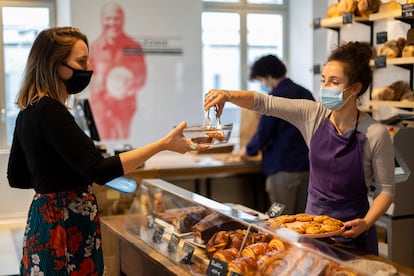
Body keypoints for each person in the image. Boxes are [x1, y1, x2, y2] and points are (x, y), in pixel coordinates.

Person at [7, 27, 199, 276]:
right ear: (55, 65)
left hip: (43, 222)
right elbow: (99, 170)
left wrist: (59, 175)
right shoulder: (51, 111)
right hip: (66, 227)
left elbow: (18, 177)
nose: (88, 67)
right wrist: (163, 144)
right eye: (81, 61)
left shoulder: (28, 111)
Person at [205, 41, 395, 256]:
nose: (325, 88)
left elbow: (386, 190)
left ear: (356, 88)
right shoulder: (312, 115)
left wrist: (367, 222)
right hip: (312, 232)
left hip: (355, 232)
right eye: (323, 80)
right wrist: (227, 95)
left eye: (334, 81)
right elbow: (264, 102)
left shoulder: (375, 133)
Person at [239, 55, 315, 214]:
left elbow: (264, 132)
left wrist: (248, 150)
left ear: (268, 76)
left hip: (283, 168)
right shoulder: (305, 93)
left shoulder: (274, 99)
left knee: (278, 215)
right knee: (303, 218)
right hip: (307, 167)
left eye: (262, 80)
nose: (263, 84)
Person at [89, 2, 147, 139]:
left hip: (124, 108)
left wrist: (125, 89)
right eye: (108, 18)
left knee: (123, 146)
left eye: (116, 18)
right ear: (102, 20)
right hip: (100, 107)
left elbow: (141, 78)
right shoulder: (94, 47)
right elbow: (89, 77)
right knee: (102, 146)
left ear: (122, 20)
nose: (112, 22)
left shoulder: (134, 46)